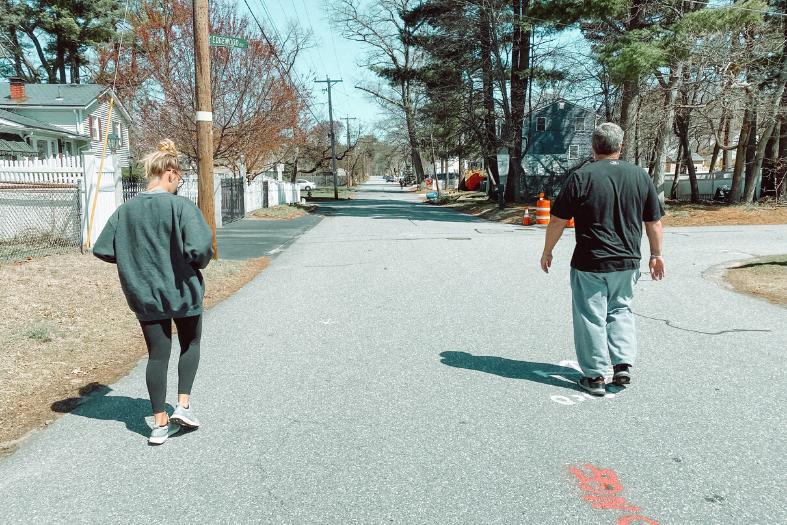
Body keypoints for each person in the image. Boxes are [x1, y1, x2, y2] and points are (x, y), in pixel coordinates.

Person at [93, 139, 214, 444]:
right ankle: (183, 406)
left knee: (157, 357)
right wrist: (190, 261)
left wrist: (135, 259)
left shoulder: (126, 210)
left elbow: (104, 249)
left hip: (144, 294)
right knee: (190, 343)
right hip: (182, 291)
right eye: (180, 179)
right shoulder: (182, 207)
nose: (179, 184)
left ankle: (159, 423)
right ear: (171, 173)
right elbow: (200, 249)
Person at [540, 122, 665, 396]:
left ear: (593, 146)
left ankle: (595, 377)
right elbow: (653, 222)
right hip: (627, 261)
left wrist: (548, 250)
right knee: (620, 310)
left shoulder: (581, 177)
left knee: (590, 315)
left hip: (590, 261)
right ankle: (622, 365)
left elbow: (558, 221)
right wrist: (656, 255)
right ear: (620, 146)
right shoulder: (640, 177)